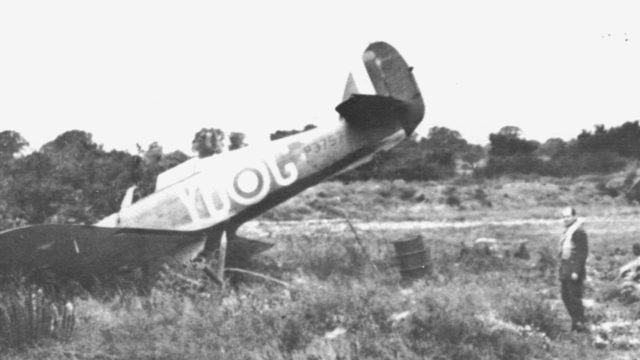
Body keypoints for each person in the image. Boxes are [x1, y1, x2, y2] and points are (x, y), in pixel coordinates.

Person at [558, 206, 589, 332]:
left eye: (568, 216)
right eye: (564, 217)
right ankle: (576, 322)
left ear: (574, 217)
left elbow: (582, 253)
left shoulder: (579, 231)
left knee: (574, 298)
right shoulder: (568, 230)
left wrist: (576, 271)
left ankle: (579, 326)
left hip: (574, 271)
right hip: (565, 269)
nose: (565, 219)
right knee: (565, 297)